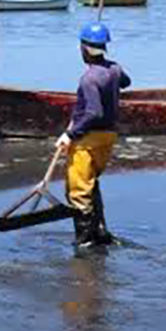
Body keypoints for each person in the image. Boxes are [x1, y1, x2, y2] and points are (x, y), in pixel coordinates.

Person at [55, 23, 131, 249]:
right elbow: (126, 82)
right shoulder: (114, 69)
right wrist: (111, 72)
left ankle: (85, 240)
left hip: (87, 139)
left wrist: (70, 134)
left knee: (78, 190)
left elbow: (94, 112)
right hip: (108, 137)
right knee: (91, 182)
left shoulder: (89, 79)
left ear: (84, 49)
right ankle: (100, 231)